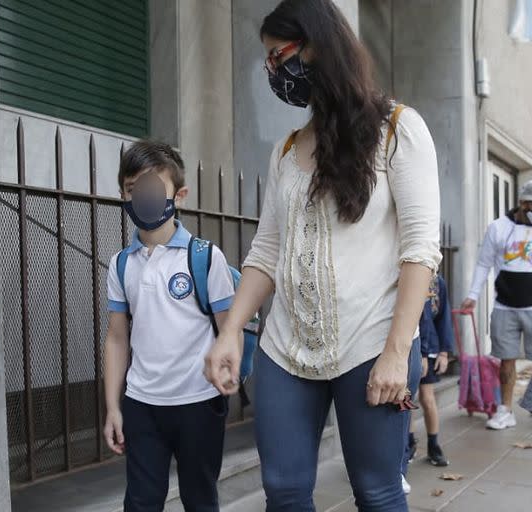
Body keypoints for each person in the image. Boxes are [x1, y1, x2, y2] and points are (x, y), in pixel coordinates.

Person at [204, 1, 441, 510]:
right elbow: (266, 251)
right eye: (267, 61)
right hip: (286, 349)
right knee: (285, 492)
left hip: (371, 346)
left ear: (318, 46)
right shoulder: (287, 150)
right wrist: (230, 331)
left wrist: (398, 352)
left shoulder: (399, 129)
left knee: (377, 493)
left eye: (278, 56)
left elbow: (420, 249)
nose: (273, 71)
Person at [103, 140, 235, 512]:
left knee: (200, 500)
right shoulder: (120, 264)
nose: (140, 196)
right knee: (141, 502)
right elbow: (116, 339)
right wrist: (113, 406)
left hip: (199, 402)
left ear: (179, 196)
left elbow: (230, 329)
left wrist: (229, 373)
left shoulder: (206, 258)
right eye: (132, 189)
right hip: (142, 406)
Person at [460, 179, 532, 430]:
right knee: (507, 361)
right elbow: (483, 264)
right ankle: (505, 411)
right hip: (505, 307)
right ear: (522, 203)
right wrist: (473, 295)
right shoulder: (499, 228)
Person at [408, 274, 455, 467]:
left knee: (427, 398)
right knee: (406, 399)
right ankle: (408, 444)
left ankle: (434, 445)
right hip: (409, 348)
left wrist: (443, 352)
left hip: (430, 349)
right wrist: (422, 354)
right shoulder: (409, 276)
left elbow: (442, 317)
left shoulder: (438, 282)